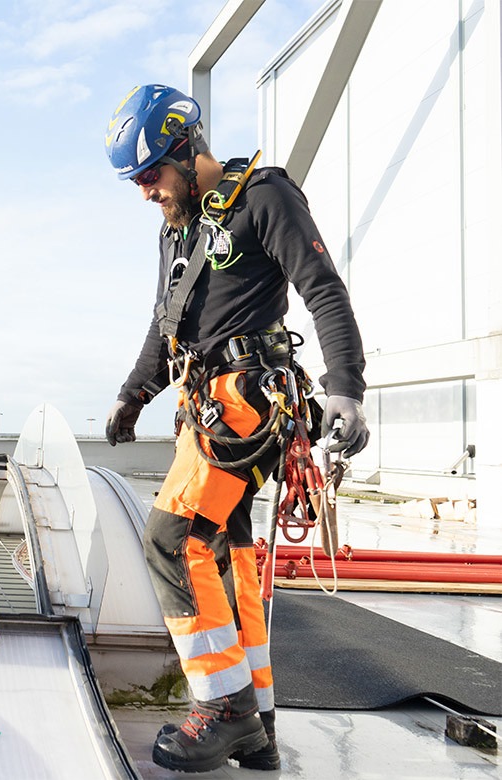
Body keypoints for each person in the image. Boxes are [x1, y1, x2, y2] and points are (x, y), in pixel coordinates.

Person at [102, 85, 369, 773]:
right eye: (137, 181)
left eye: (151, 175)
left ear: (188, 151)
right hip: (208, 407)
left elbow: (323, 287)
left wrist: (346, 388)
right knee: (226, 557)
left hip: (245, 406)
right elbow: (167, 329)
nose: (145, 193)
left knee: (171, 541)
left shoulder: (264, 197)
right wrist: (134, 396)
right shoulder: (179, 232)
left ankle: (222, 708)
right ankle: (258, 726)